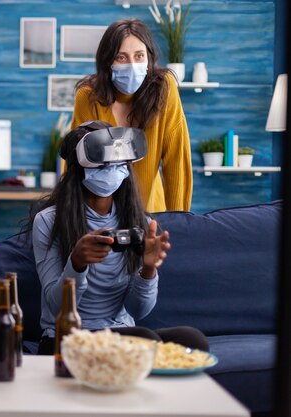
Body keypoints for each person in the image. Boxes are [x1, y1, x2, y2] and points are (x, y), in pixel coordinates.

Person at [30, 122, 208, 355]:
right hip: (67, 336)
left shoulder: (138, 221)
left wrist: (148, 270)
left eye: (118, 163)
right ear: (78, 167)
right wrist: (76, 263)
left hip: (123, 331)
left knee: (192, 340)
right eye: (104, 164)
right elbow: (56, 307)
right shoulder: (48, 221)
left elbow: (138, 310)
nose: (112, 170)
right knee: (143, 339)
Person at [71, 19, 192, 212]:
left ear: (149, 58)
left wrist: (178, 221)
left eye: (139, 56)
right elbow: (76, 164)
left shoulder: (164, 88)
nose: (132, 65)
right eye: (121, 57)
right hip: (101, 216)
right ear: (107, 60)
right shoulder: (88, 96)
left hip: (153, 213)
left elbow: (176, 161)